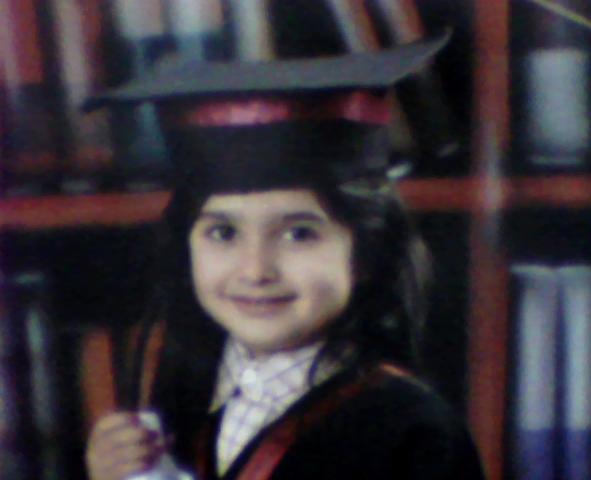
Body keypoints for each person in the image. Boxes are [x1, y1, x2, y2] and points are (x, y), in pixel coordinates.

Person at [84, 37, 486, 480]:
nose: (256, 270)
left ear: (367, 252)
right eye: (223, 232)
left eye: (299, 234)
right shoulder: (186, 399)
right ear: (186, 247)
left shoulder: (413, 433)